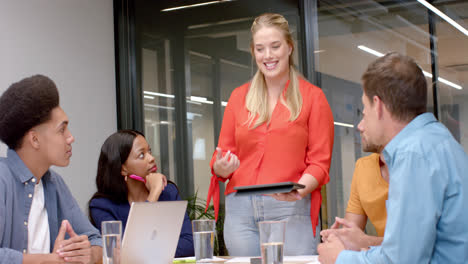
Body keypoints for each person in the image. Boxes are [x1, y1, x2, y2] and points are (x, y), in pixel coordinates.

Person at [318, 52, 468, 263]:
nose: (361, 123)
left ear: (378, 106)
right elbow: (408, 251)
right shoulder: (438, 141)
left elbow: (401, 260)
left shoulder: (413, 155)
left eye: (364, 110)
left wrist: (339, 259)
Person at [205, 13, 334, 256]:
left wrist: (298, 190)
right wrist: (222, 167)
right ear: (253, 52)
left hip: (290, 208)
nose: (268, 56)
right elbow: (220, 158)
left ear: (289, 47)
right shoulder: (238, 97)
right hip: (240, 211)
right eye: (260, 49)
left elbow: (320, 162)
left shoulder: (313, 98)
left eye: (275, 46)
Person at [0, 75, 102, 264]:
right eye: (62, 130)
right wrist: (49, 261)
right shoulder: (2, 178)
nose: (71, 138)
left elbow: (96, 240)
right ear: (34, 139)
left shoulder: (54, 183)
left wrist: (88, 254)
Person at [88, 130, 194, 258]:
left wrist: (147, 251)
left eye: (149, 151)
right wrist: (153, 195)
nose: (151, 158)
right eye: (142, 155)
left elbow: (189, 244)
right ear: (122, 168)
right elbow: (126, 254)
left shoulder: (168, 192)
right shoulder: (102, 205)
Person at [320, 152, 389, 250]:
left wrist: (367, 241)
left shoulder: (415, 163)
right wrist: (339, 238)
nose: (360, 135)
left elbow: (415, 243)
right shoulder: (364, 167)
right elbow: (350, 236)